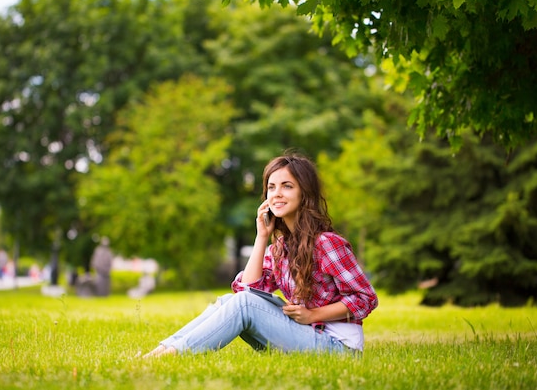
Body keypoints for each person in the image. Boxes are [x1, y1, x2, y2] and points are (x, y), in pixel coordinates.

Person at [142, 153, 378, 358]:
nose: (276, 194)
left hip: (338, 347)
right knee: (228, 301)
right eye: (271, 187)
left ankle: (174, 354)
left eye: (287, 186)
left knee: (242, 304)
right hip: (306, 335)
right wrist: (262, 236)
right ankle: (163, 350)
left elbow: (365, 298)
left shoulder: (326, 244)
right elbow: (247, 291)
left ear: (304, 193)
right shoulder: (280, 247)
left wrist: (313, 315)